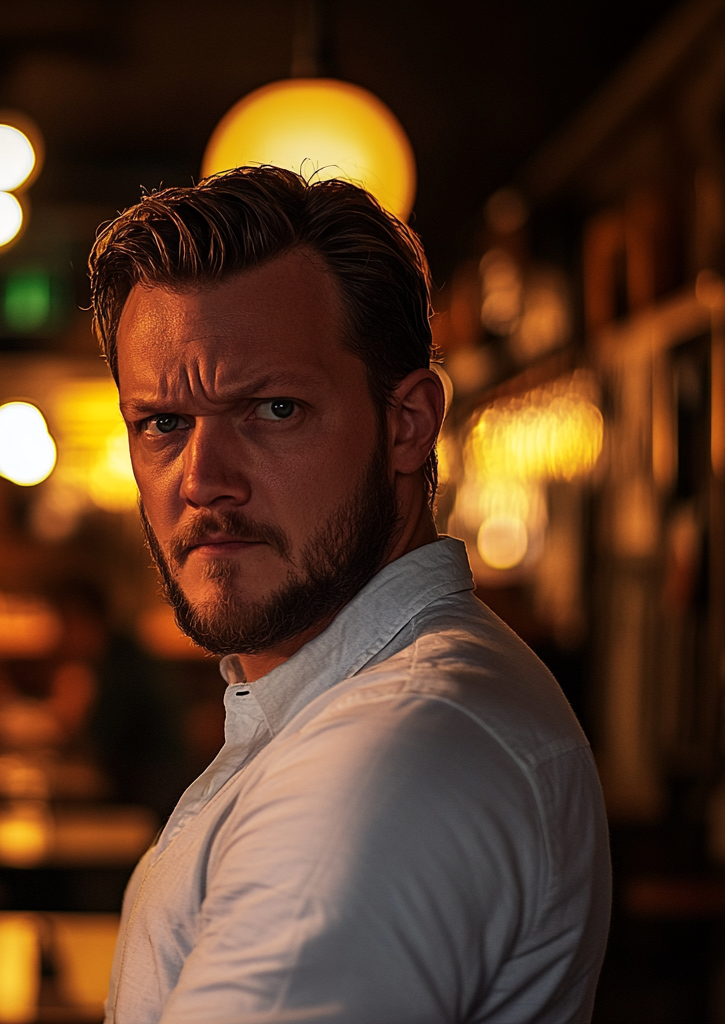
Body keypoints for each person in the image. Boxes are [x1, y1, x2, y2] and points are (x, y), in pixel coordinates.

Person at [88, 166, 611, 1024]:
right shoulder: (344, 699)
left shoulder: (390, 752)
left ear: (407, 425)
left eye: (275, 410)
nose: (203, 481)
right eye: (164, 424)